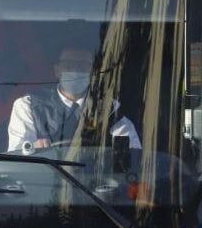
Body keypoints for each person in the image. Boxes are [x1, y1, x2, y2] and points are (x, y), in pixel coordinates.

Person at [7, 47, 140, 153]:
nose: (76, 70)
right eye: (69, 65)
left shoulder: (110, 110)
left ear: (93, 73)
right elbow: (16, 156)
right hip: (42, 183)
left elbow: (132, 158)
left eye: (83, 66)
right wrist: (33, 148)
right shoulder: (28, 105)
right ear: (57, 71)